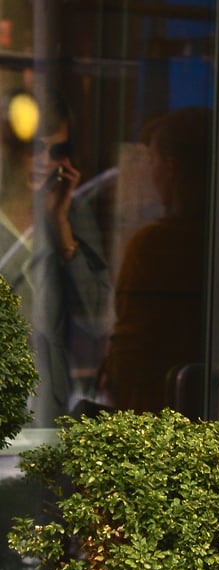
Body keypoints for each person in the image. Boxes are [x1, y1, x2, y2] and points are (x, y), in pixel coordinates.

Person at [0, 88, 110, 425]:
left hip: (49, 403)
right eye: (34, 147)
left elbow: (100, 313)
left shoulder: (71, 213)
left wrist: (61, 226)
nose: (45, 160)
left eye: (57, 149)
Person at [103, 107, 210, 414]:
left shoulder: (153, 246)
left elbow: (129, 354)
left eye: (152, 160)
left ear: (171, 167)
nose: (148, 172)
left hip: (155, 415)